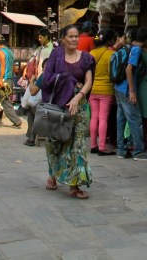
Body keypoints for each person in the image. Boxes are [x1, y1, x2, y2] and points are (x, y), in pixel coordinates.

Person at [41, 24, 95, 199]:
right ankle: (53, 174)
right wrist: (69, 80)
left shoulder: (86, 58)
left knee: (77, 144)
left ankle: (74, 185)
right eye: (70, 36)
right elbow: (47, 78)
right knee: (55, 142)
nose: (74, 39)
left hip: (78, 105)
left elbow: (88, 81)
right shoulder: (56, 56)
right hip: (58, 105)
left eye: (76, 36)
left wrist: (77, 96)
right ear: (63, 38)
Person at [115, 27, 147, 161]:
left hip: (119, 87)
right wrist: (132, 91)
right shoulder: (137, 50)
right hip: (127, 89)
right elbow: (129, 69)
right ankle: (139, 150)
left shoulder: (127, 47)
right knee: (135, 119)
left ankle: (121, 149)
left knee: (121, 118)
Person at [22, 28, 55, 146]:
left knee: (32, 107)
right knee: (30, 107)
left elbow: (33, 91)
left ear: (46, 37)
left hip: (45, 86)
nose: (40, 39)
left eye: (41, 37)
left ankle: (32, 137)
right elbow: (32, 62)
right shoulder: (39, 50)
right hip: (38, 82)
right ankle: (31, 137)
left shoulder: (53, 51)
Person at [89, 28, 117, 155]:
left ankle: (93, 145)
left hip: (92, 89)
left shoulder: (91, 53)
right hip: (106, 89)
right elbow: (113, 74)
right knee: (103, 118)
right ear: (110, 40)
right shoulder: (111, 54)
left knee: (94, 117)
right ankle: (102, 147)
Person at [0, 35, 22, 129]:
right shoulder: (10, 51)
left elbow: (3, 67)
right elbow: (12, 67)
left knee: (4, 101)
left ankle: (16, 121)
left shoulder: (1, 52)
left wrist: (0, 79)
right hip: (9, 78)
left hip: (4, 79)